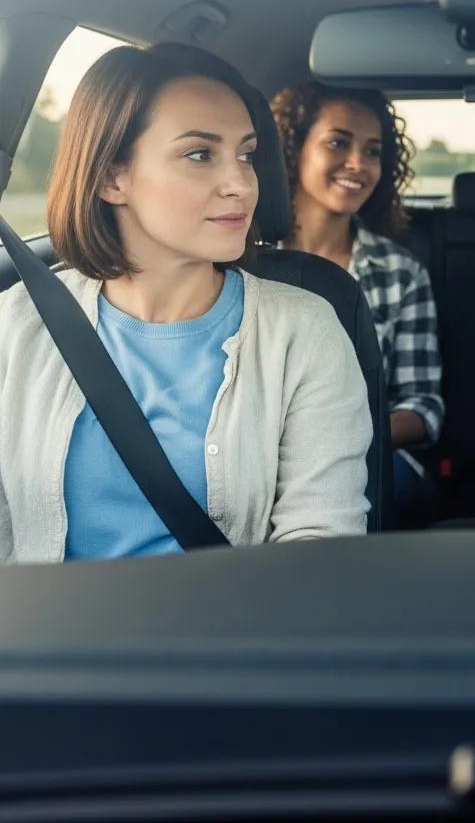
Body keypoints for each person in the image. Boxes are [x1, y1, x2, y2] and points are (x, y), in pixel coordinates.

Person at [0, 44, 372, 562]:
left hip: (229, 637)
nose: (241, 184)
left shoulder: (303, 332)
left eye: (246, 155)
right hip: (43, 639)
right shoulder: (17, 325)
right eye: (200, 154)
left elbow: (321, 547)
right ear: (112, 176)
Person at [270, 82, 443, 524]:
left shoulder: (400, 271)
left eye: (372, 151)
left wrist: (335, 438)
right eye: (338, 143)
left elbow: (423, 408)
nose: (358, 164)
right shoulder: (243, 261)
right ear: (293, 149)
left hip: (372, 455)